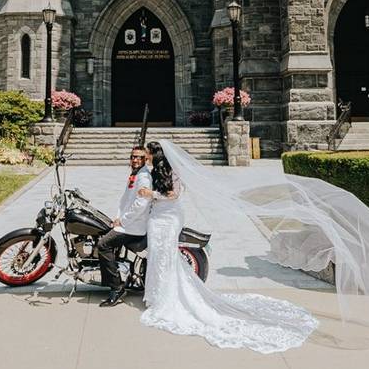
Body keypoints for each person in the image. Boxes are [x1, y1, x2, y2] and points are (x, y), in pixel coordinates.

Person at [136, 141, 320, 353]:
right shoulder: (151, 172)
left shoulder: (173, 172)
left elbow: (174, 195)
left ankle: (168, 297)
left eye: (148, 153)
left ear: (155, 155)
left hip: (169, 216)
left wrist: (152, 195)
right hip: (156, 217)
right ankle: (157, 293)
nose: (145, 156)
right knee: (158, 255)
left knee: (167, 255)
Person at [98, 146, 152, 308]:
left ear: (146, 160)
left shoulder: (143, 177)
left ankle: (116, 287)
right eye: (133, 157)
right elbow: (125, 200)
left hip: (134, 226)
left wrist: (123, 221)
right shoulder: (135, 175)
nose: (135, 160)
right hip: (127, 221)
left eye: (139, 157)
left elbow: (141, 203)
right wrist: (117, 217)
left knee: (103, 244)